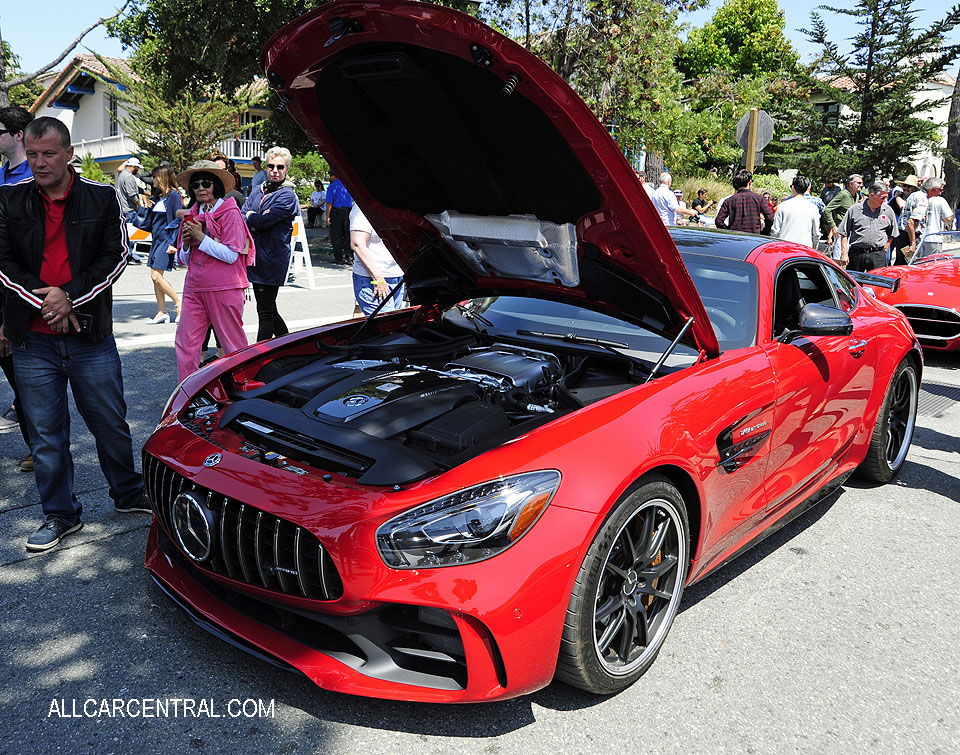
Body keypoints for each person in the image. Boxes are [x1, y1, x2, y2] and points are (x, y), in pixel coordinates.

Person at [0, 117, 149, 552]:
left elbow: (117, 257)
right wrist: (49, 302)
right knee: (46, 435)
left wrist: (71, 298)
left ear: (68, 154)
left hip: (91, 336)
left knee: (111, 423)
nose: (40, 162)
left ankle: (127, 493)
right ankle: (60, 515)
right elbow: (4, 263)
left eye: (48, 153)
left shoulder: (102, 197)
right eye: (32, 154)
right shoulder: (9, 199)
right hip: (33, 338)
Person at [174, 160, 254, 380]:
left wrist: (201, 238)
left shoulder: (230, 213)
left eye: (206, 183)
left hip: (225, 287)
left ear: (216, 186)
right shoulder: (191, 215)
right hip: (195, 287)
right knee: (186, 343)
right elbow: (182, 259)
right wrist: (189, 244)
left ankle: (243, 385)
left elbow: (231, 255)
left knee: (232, 343)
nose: (200, 188)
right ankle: (186, 392)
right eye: (196, 184)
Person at [0, 105, 35, 471]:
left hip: (18, 290)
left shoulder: (33, 177)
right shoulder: (1, 175)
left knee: (21, 374)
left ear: (17, 134)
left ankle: (39, 447)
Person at [242, 146, 298, 342]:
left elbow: (265, 221)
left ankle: (258, 358)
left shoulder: (287, 195)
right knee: (270, 309)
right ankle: (289, 347)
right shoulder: (258, 189)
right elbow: (243, 214)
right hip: (256, 255)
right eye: (271, 166)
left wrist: (254, 218)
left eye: (280, 167)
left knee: (264, 313)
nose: (275, 170)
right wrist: (253, 217)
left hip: (273, 257)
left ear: (286, 169)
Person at [138, 165, 182, 324]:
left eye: (156, 177)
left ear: (163, 178)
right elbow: (147, 223)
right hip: (156, 239)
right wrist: (147, 207)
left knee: (156, 276)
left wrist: (174, 243)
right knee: (156, 277)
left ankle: (179, 304)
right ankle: (162, 311)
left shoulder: (174, 196)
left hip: (166, 240)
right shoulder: (158, 197)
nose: (153, 180)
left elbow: (178, 220)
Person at [350, 206, 405, 316]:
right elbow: (357, 244)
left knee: (394, 323)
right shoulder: (362, 209)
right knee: (388, 326)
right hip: (372, 279)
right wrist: (378, 279)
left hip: (397, 275)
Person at [838, 181, 898, 271]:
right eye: (883, 197)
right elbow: (844, 233)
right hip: (857, 254)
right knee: (854, 282)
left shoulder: (888, 210)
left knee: (877, 283)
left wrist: (885, 249)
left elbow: (892, 233)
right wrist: (844, 254)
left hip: (877, 254)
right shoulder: (855, 210)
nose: (885, 200)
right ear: (872, 195)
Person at [714, 169, 774, 234]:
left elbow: (718, 221)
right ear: (750, 182)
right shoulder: (759, 199)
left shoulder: (729, 200)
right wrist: (764, 232)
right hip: (754, 236)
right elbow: (770, 217)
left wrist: (728, 231)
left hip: (735, 236)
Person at [771, 175, 821, 249]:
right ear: (807, 189)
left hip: (785, 247)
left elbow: (775, 231)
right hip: (805, 249)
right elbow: (816, 234)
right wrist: (814, 248)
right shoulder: (813, 208)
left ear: (793, 188)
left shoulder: (783, 206)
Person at [824, 174, 864, 260]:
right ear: (850, 183)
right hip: (842, 232)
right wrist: (833, 227)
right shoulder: (843, 195)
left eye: (862, 183)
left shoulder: (856, 196)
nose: (861, 185)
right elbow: (827, 210)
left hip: (852, 233)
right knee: (839, 259)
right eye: (859, 183)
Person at [117, 157, 146, 264]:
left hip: (124, 208)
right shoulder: (129, 177)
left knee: (126, 233)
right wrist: (138, 204)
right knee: (131, 234)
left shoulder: (122, 175)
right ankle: (130, 255)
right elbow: (132, 194)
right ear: (134, 167)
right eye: (137, 168)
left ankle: (130, 254)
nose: (137, 170)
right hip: (130, 209)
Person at [919, 177, 955, 253]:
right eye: (941, 189)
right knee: (932, 262)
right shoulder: (940, 200)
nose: (941, 192)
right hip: (933, 237)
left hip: (917, 237)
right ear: (934, 189)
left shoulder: (917, 197)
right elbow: (948, 218)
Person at [325, 171, 354, 263]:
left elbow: (329, 203)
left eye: (331, 175)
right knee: (348, 234)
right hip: (348, 211)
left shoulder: (332, 186)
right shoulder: (348, 185)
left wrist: (327, 216)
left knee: (336, 235)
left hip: (336, 212)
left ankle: (339, 258)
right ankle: (349, 257)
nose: (330, 178)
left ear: (334, 176)